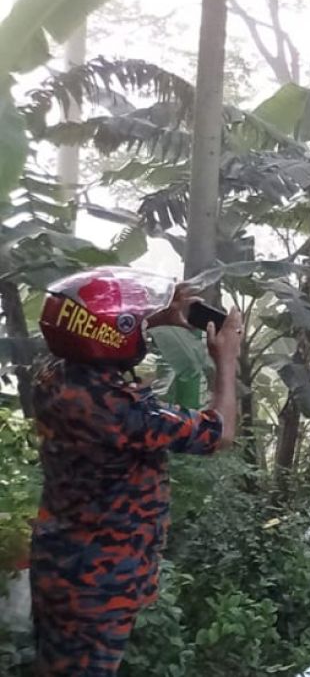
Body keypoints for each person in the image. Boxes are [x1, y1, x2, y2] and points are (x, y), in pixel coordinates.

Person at [28, 267, 243, 676]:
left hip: (60, 561)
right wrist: (226, 360)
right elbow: (220, 433)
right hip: (99, 582)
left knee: (55, 665)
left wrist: (157, 315)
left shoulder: (54, 375)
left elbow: (88, 335)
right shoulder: (120, 410)